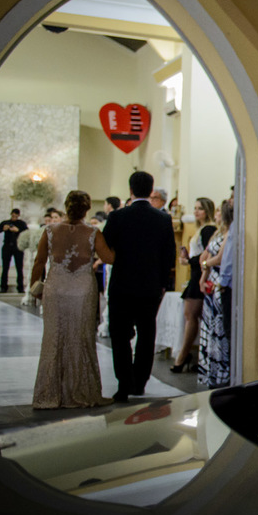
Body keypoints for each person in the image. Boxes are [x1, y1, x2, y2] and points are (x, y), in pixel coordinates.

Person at [30, 190, 114, 409]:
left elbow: (39, 262)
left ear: (66, 207)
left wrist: (34, 287)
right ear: (86, 209)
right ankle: (81, 391)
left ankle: (50, 393)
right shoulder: (93, 232)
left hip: (56, 289)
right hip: (82, 291)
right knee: (81, 338)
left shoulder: (50, 231)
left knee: (54, 339)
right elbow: (108, 258)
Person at [102, 171, 177, 402]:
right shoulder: (162, 219)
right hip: (149, 286)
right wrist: (162, 284)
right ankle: (140, 382)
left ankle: (124, 384)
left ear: (130, 190)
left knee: (120, 336)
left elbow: (105, 246)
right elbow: (169, 255)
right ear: (151, 190)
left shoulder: (118, 217)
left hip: (122, 285)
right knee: (146, 335)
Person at [172, 197, 217, 373]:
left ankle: (183, 356)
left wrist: (189, 261)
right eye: (195, 208)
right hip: (196, 273)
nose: (196, 211)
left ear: (207, 211)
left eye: (200, 208)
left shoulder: (208, 229)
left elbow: (206, 254)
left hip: (200, 274)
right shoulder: (201, 229)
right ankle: (187, 354)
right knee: (190, 315)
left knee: (191, 315)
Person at [199, 199, 233, 387]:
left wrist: (206, 264)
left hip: (219, 281)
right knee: (210, 327)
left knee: (219, 327)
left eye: (219, 211)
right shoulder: (217, 233)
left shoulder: (229, 233)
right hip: (210, 279)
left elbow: (218, 259)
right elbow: (207, 255)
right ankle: (210, 371)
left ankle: (221, 372)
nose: (217, 214)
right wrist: (203, 277)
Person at [0, 208, 30, 293]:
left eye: (16, 216)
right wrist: (3, 229)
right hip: (7, 246)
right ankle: (3, 287)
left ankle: (20, 287)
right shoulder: (5, 222)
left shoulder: (21, 223)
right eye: (13, 215)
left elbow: (27, 233)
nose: (14, 217)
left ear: (18, 215)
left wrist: (18, 230)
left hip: (17, 247)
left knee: (19, 267)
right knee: (5, 267)